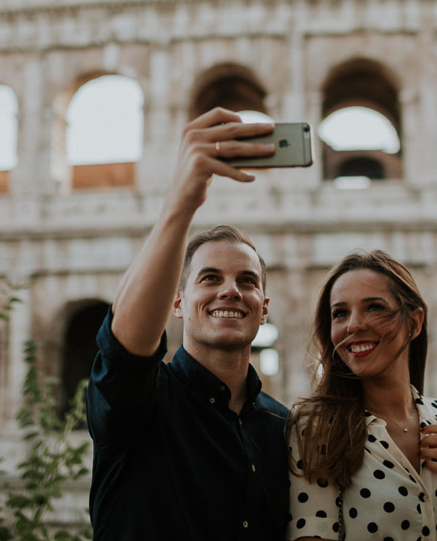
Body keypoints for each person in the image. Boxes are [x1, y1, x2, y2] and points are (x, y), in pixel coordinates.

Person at [87, 108, 291, 541]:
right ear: (177, 303)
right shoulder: (142, 401)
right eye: (210, 278)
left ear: (265, 306)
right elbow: (124, 349)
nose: (231, 291)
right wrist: (180, 204)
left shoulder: (282, 426)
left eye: (247, 281)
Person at [287, 250, 437, 541]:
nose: (353, 325)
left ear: (415, 323)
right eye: (340, 313)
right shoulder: (316, 429)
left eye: (374, 308)